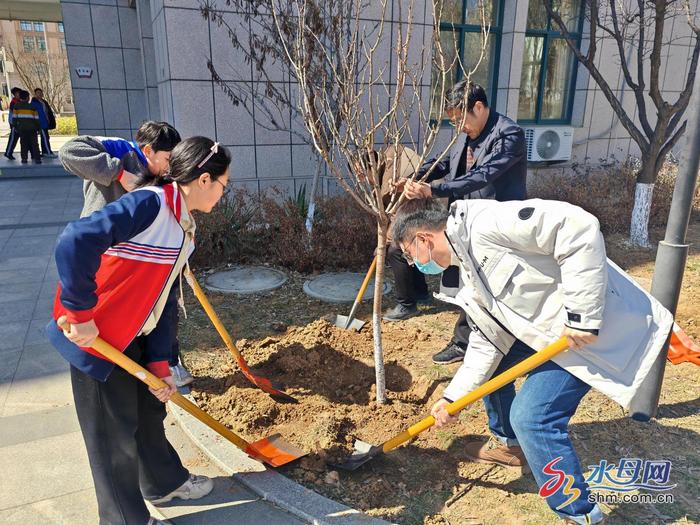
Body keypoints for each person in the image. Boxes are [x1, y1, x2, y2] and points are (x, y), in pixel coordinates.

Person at [391, 198, 673, 525]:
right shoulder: (463, 270)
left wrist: (582, 315)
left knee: (532, 418)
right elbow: (487, 341)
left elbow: (577, 226)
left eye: (410, 256)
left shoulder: (485, 224)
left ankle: (579, 515)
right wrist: (451, 398)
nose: (415, 263)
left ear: (422, 240)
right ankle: (514, 447)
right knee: (496, 368)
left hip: (588, 332)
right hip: (547, 334)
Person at [46, 137, 231, 525]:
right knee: (112, 441)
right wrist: (79, 311)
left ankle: (163, 483)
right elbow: (74, 241)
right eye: (223, 185)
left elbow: (163, 298)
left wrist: (161, 362)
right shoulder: (150, 204)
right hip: (97, 340)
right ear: (203, 179)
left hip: (137, 337)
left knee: (150, 413)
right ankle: (125, 518)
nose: (223, 193)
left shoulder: (183, 224)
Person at [58, 121, 193, 386]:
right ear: (148, 150)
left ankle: (168, 362)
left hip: (147, 257)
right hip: (110, 255)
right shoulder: (119, 150)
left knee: (164, 303)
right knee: (119, 314)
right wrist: (117, 172)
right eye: (167, 159)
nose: (170, 167)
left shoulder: (163, 177)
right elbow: (68, 151)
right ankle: (117, 369)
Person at [403, 81, 527, 363]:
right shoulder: (467, 134)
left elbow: (483, 175)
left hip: (497, 221)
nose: (459, 128)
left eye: (461, 120)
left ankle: (472, 341)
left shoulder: (509, 135)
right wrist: (416, 176)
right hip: (465, 217)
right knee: (468, 280)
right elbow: (447, 163)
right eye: (455, 122)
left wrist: (434, 190)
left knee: (485, 281)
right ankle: (468, 339)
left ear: (479, 108)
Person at [12, 90, 42, 164]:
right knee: (34, 144)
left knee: (23, 144)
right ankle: (37, 159)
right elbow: (36, 119)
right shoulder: (32, 107)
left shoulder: (16, 106)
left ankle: (24, 159)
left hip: (22, 129)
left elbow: (14, 118)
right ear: (27, 98)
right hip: (32, 129)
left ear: (20, 98)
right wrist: (39, 128)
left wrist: (16, 127)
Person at [31, 88, 57, 158]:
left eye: (41, 92)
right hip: (40, 123)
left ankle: (45, 151)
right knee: (45, 138)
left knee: (46, 137)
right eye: (38, 93)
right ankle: (48, 152)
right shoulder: (34, 103)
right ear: (35, 94)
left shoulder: (43, 102)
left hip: (46, 122)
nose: (40, 94)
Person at [4, 87, 22, 160]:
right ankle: (8, 153)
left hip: (19, 124)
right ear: (14, 94)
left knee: (19, 139)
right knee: (13, 139)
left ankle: (9, 153)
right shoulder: (13, 103)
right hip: (14, 124)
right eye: (18, 93)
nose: (19, 95)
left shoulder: (18, 101)